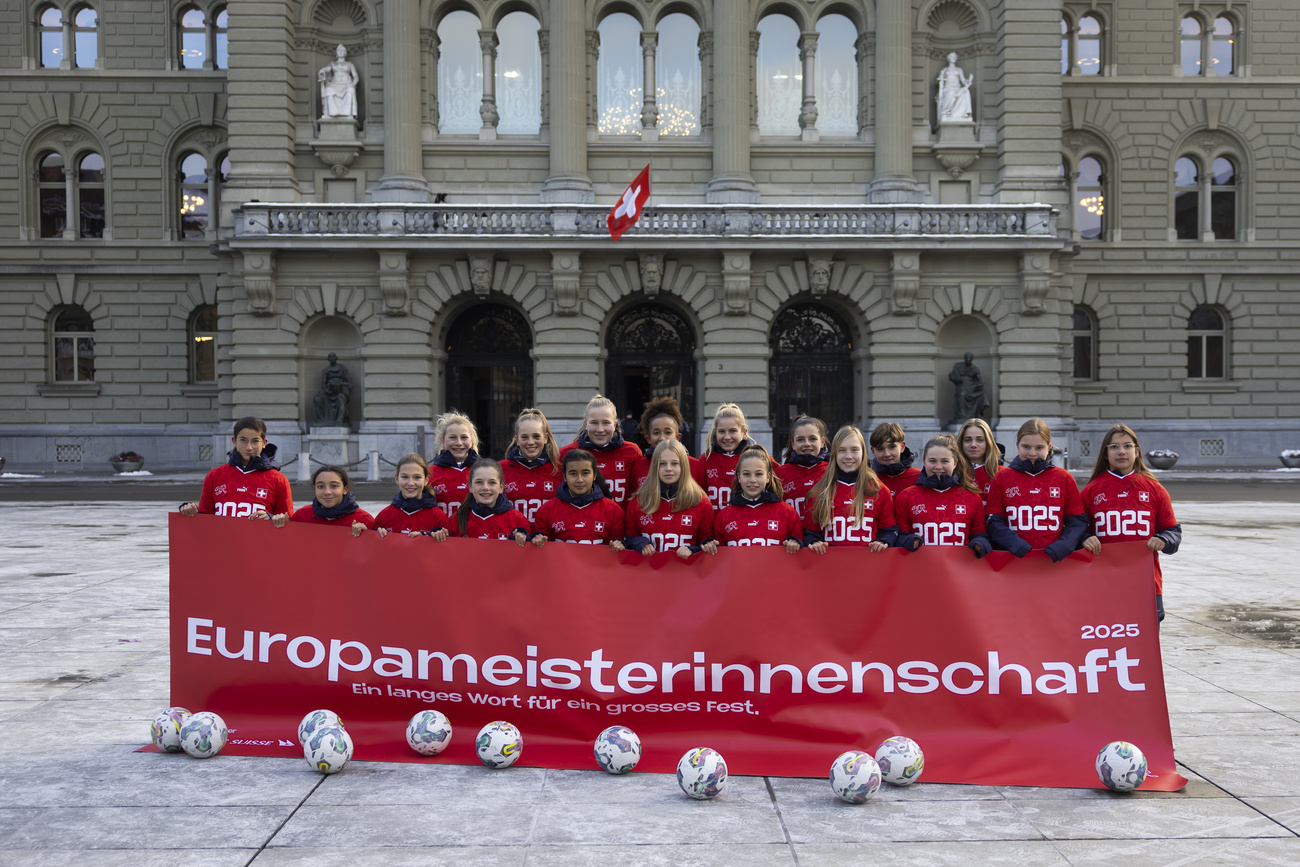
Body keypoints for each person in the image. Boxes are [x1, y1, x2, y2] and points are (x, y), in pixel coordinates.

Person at [1080, 424, 1182, 622]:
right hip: (1101, 582)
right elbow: (1074, 531)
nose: (1121, 451)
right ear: (1105, 453)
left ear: (1137, 451)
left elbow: (1173, 532)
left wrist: (1164, 539)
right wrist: (1084, 538)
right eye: (1114, 447)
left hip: (1145, 583)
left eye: (1127, 446)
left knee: (1144, 647)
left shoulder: (1155, 490)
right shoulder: (1091, 491)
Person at [985, 418, 1088, 561]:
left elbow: (1077, 522)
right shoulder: (1002, 478)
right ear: (1017, 445)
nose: (1032, 453)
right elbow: (993, 522)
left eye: (1039, 448)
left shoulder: (1063, 478)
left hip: (1054, 562)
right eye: (1026, 447)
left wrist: (1063, 546)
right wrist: (1013, 544)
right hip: (1013, 561)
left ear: (1049, 447)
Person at [803, 425, 900, 553]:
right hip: (829, 568)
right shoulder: (819, 492)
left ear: (863, 453)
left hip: (868, 568)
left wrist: (883, 541)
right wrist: (814, 543)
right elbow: (810, 533)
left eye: (854, 450)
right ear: (834, 454)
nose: (848, 456)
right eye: (842, 450)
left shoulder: (878, 490)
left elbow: (889, 531)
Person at [180, 416, 292, 522]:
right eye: (243, 440)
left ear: (264, 443)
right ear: (234, 441)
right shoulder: (215, 475)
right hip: (222, 542)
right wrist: (190, 510)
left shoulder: (278, 480)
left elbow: (288, 522)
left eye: (255, 441)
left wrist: (272, 518)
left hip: (259, 542)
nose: (249, 447)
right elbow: (205, 519)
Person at [893, 435, 990, 557]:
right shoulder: (906, 497)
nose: (938, 467)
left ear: (955, 463)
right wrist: (908, 541)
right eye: (932, 461)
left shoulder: (972, 498)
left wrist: (980, 544)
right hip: (918, 571)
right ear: (923, 462)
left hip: (959, 572)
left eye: (945, 461)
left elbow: (980, 535)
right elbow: (899, 537)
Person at [624, 439, 717, 559]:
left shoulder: (701, 503)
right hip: (648, 575)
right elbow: (628, 540)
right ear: (654, 467)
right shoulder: (638, 502)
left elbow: (707, 545)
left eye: (674, 463)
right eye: (662, 464)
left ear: (684, 466)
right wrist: (639, 543)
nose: (668, 468)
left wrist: (692, 550)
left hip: (686, 575)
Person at [530, 449, 626, 548]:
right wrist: (539, 539)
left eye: (585, 473)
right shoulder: (547, 510)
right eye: (573, 474)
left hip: (599, 564)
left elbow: (616, 550)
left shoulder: (613, 510)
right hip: (560, 563)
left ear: (594, 475)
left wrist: (618, 544)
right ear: (564, 476)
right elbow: (543, 551)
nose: (579, 480)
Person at [559, 395, 642, 506]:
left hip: (620, 522)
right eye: (594, 423)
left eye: (606, 423)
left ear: (614, 424)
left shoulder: (632, 451)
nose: (600, 429)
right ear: (586, 424)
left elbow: (639, 494)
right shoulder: (567, 453)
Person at [715, 446, 802, 552]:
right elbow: (717, 559)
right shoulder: (724, 516)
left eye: (759, 474)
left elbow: (799, 556)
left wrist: (796, 543)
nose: (752, 480)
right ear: (739, 477)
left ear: (768, 477)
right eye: (746, 474)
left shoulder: (787, 513)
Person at [630, 396, 707, 492]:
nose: (662, 438)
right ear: (648, 439)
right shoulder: (639, 467)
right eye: (656, 433)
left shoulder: (695, 466)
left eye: (668, 432)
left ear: (678, 437)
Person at [501, 408, 562, 523]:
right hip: (512, 539)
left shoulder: (559, 469)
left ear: (545, 438)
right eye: (524, 437)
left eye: (536, 436)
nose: (530, 442)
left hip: (547, 539)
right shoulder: (500, 470)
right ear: (517, 440)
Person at [374, 453, 454, 540]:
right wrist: (376, 534)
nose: (411, 483)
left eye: (417, 477)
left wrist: (431, 538)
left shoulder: (438, 517)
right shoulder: (384, 516)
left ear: (426, 480)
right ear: (397, 479)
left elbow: (448, 549)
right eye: (405, 477)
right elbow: (371, 546)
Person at [456, 459, 530, 545]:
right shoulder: (456, 519)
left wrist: (524, 540)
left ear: (501, 487)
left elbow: (527, 555)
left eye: (492, 482)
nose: (485, 488)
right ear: (470, 487)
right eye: (479, 482)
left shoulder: (517, 520)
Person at [700, 403, 757, 511]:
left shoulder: (757, 459)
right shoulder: (705, 460)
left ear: (744, 432)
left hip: (744, 525)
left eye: (733, 431)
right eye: (721, 431)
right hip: (713, 526)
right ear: (715, 432)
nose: (727, 437)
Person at [288, 465, 374, 536]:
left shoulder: (364, 520)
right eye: (320, 486)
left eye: (334, 486)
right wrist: (281, 524)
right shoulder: (301, 516)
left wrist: (367, 535)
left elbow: (375, 553)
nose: (327, 492)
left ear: (345, 489)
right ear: (314, 489)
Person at [775, 415, 830, 518]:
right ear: (793, 444)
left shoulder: (832, 471)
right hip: (792, 534)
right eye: (800, 440)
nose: (807, 444)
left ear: (822, 442)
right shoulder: (780, 474)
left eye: (812, 439)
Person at [429, 411, 479, 517]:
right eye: (452, 437)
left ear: (472, 440)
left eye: (464, 437)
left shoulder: (483, 470)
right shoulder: (429, 473)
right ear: (442, 440)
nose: (459, 443)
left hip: (474, 533)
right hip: (442, 533)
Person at [956, 417, 1002, 507]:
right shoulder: (952, 473)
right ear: (960, 443)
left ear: (988, 442)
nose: (973, 445)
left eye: (980, 440)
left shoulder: (1002, 474)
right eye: (968, 440)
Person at [869, 421, 921, 495]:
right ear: (873, 451)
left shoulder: (919, 478)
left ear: (902, 447)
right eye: (880, 449)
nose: (887, 454)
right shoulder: (867, 479)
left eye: (892, 447)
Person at [948, 353, 989, 428]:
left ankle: (977, 414)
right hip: (962, 386)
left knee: (982, 395)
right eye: (966, 358)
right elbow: (952, 376)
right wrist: (957, 379)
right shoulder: (958, 366)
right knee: (962, 394)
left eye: (969, 358)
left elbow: (979, 380)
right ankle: (962, 415)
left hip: (972, 387)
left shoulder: (975, 369)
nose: (967, 359)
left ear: (971, 359)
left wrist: (979, 386)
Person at [318, 44, 359, 119]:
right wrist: (323, 70)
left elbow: (355, 76)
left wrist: (353, 84)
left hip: (346, 84)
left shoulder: (349, 64)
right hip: (335, 84)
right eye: (339, 50)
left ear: (345, 53)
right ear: (336, 53)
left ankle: (347, 114)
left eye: (343, 50)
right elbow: (328, 69)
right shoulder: (332, 63)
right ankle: (332, 113)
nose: (341, 52)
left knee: (351, 90)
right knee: (328, 90)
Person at [313, 352, 351, 426]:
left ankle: (339, 420)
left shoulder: (342, 369)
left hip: (340, 391)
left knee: (341, 398)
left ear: (336, 358)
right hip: (329, 391)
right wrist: (328, 390)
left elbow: (349, 382)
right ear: (328, 359)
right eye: (330, 357)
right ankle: (322, 420)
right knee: (317, 399)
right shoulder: (325, 370)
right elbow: (323, 384)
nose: (332, 359)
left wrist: (343, 386)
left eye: (333, 357)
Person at [936, 52, 973, 123]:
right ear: (949, 58)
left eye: (955, 57)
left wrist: (969, 81)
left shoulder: (959, 69)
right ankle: (947, 112)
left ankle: (963, 113)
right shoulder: (944, 70)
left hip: (957, 88)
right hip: (948, 89)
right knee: (951, 93)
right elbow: (940, 80)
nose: (954, 58)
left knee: (965, 92)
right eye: (952, 57)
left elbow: (963, 80)